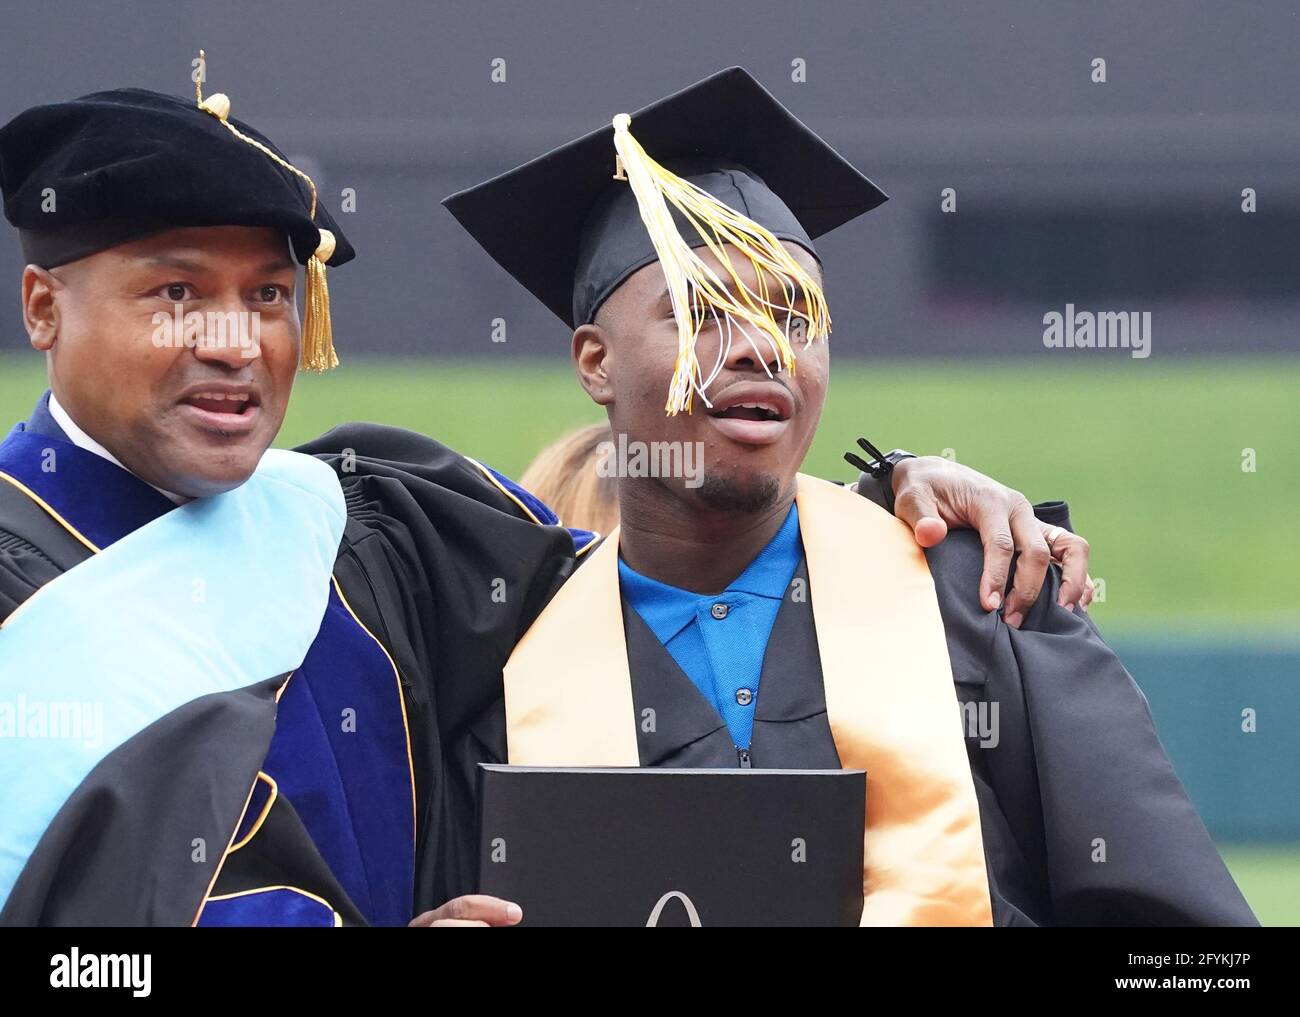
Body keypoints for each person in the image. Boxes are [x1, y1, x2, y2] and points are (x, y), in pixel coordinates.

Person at [0, 68, 1088, 927]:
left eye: (272, 296)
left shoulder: (368, 535)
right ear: (44, 308)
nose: (233, 344)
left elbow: (666, 560)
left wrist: (896, 496)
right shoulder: (19, 581)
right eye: (176, 294)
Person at [437, 66, 1257, 925]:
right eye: (704, 310)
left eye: (797, 318)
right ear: (596, 361)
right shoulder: (507, 668)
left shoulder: (978, 599)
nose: (762, 346)